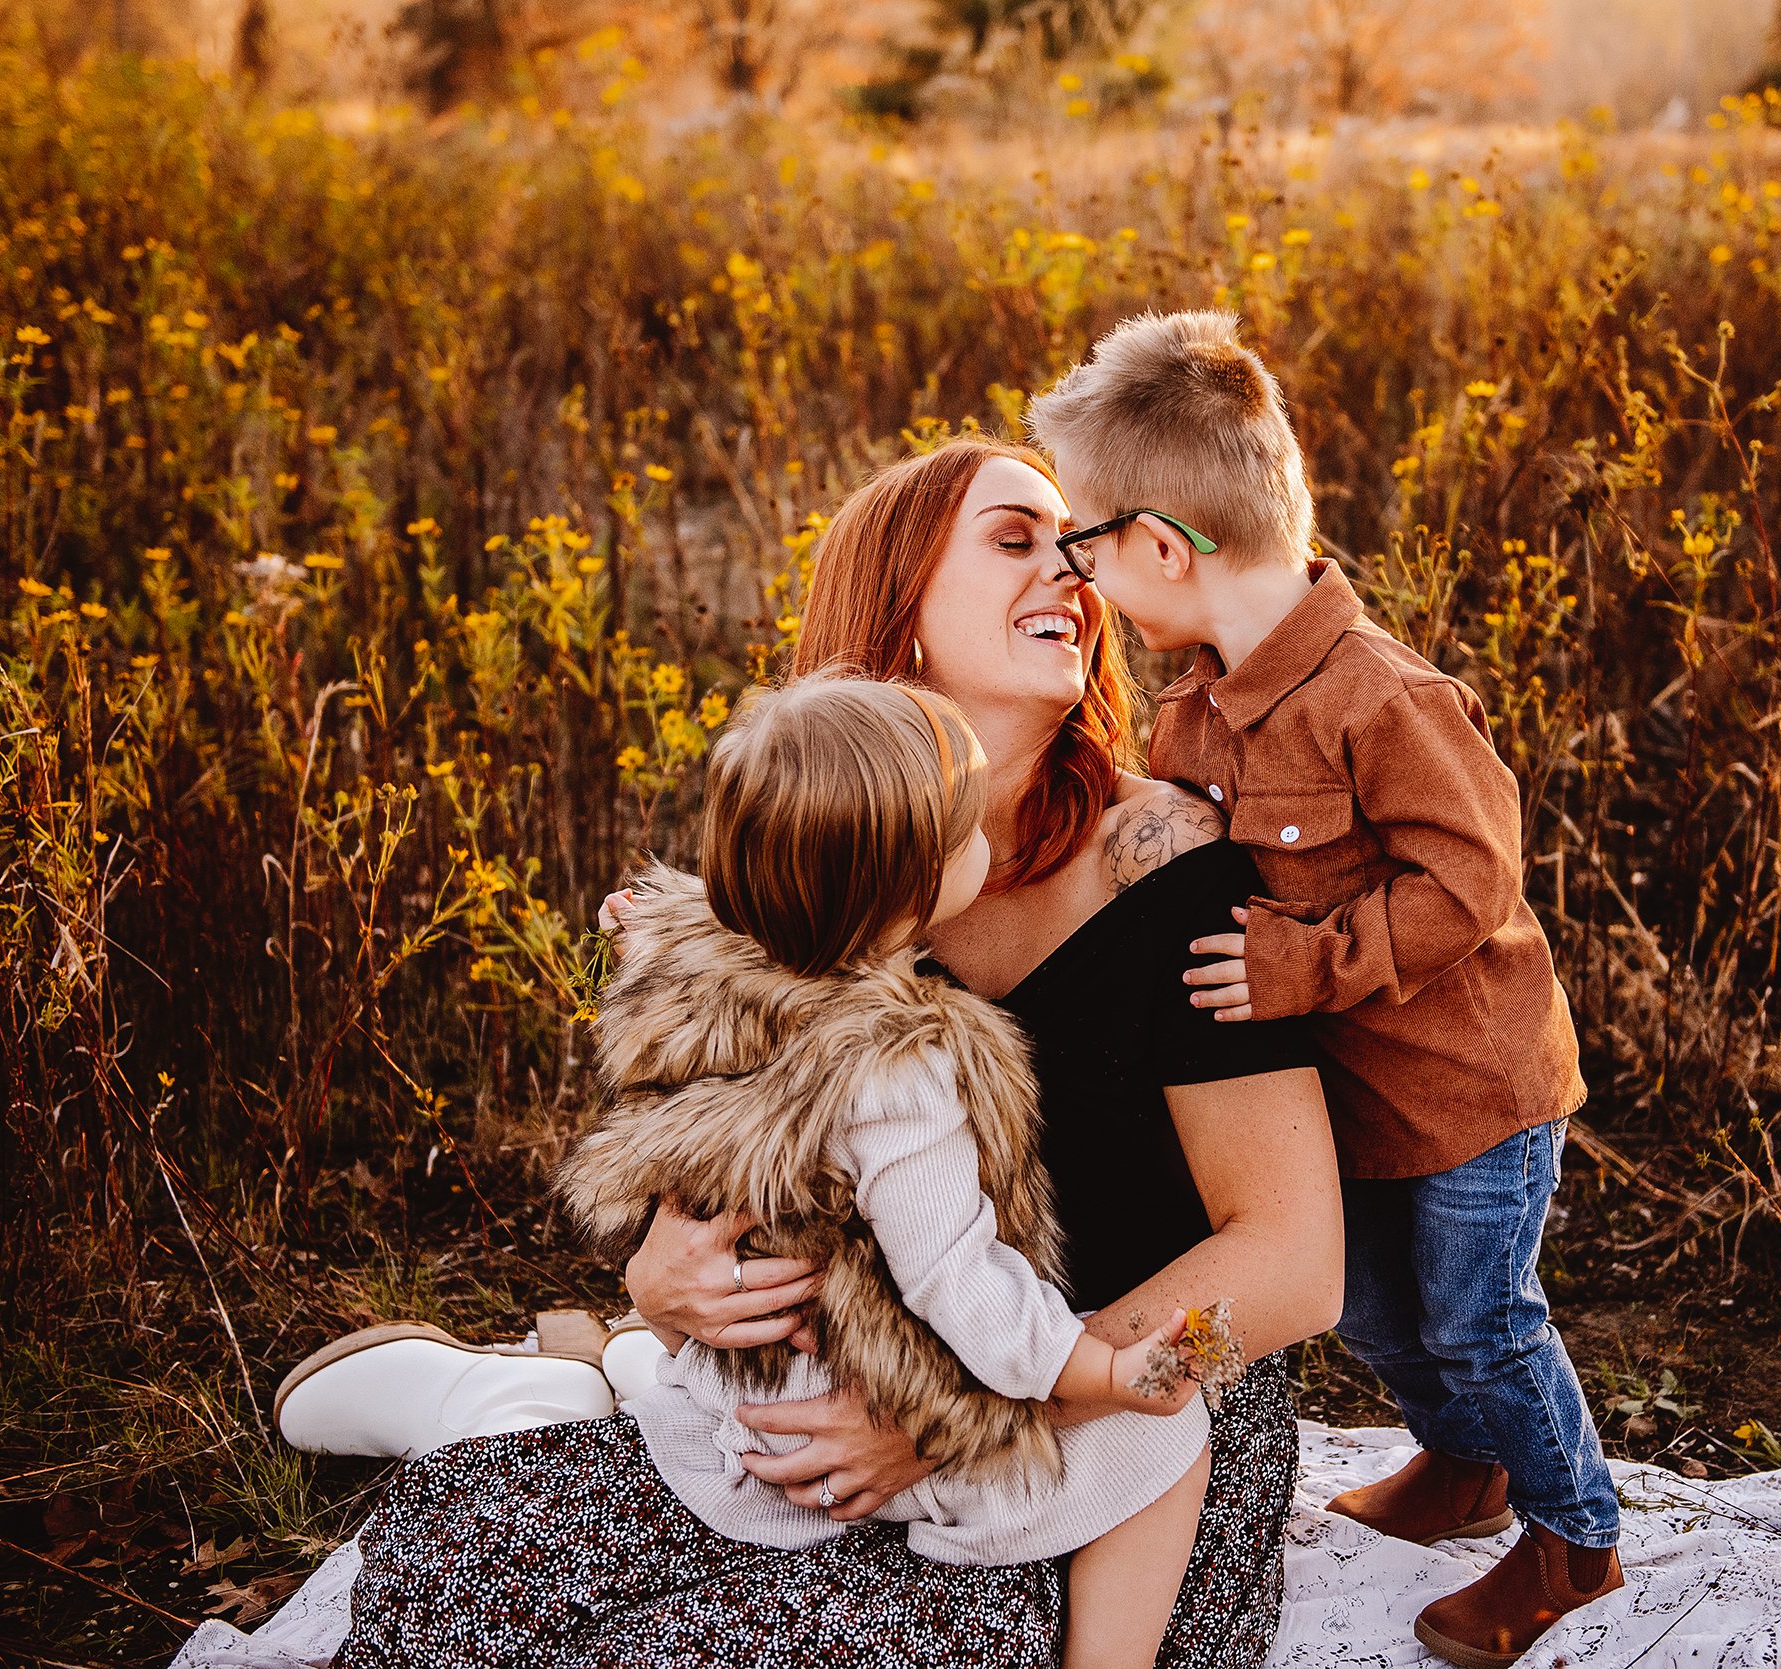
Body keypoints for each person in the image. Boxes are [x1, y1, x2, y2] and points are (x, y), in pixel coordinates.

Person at [281, 436, 1345, 1669]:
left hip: (1111, 1430)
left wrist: (972, 1408)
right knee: (446, 1564)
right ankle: (570, 1373)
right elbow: (739, 1152)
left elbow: (1298, 1264)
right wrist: (663, 1278)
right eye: (1015, 541)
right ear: (897, 614)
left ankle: (573, 1381)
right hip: (843, 1390)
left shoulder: (1166, 860)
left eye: (1075, 549)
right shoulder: (818, 871)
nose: (1072, 574)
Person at [1026, 311, 1625, 1667]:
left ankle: (1572, 1533)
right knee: (1371, 1308)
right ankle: (1465, 1466)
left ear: (1165, 552)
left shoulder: (1378, 696)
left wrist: (1309, 963)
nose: (1084, 575)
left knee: (1480, 1316)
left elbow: (1473, 878)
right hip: (1357, 1100)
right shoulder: (1195, 714)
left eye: (1087, 546)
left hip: (1473, 1092)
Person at [559, 672, 1214, 1669]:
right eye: (965, 831)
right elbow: (958, 1279)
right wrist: (1099, 1370)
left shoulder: (711, 964)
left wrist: (640, 929)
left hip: (740, 1386)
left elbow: (661, 933)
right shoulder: (895, 1070)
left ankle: (593, 1371)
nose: (983, 840)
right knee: (1166, 1439)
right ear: (915, 885)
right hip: (823, 1424)